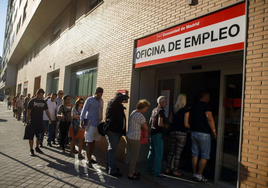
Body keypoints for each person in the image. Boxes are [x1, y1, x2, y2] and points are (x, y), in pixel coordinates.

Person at [190, 91, 217, 182]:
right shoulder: (206, 106)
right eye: (208, 96)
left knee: (195, 154)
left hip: (193, 132)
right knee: (204, 156)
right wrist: (214, 130)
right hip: (204, 134)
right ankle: (199, 175)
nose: (209, 99)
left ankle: (194, 173)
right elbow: (209, 118)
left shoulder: (194, 106)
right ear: (204, 96)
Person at [165, 94, 190, 177]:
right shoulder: (186, 111)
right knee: (178, 153)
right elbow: (186, 124)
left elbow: (170, 121)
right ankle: (175, 171)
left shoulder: (174, 110)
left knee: (171, 151)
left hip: (173, 132)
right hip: (181, 134)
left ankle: (167, 169)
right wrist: (191, 127)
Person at [105, 92, 128, 177]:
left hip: (116, 131)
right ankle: (112, 169)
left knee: (111, 150)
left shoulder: (117, 105)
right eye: (122, 99)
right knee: (112, 150)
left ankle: (109, 166)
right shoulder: (113, 103)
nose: (123, 100)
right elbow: (115, 101)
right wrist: (120, 97)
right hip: (113, 131)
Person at [24, 89, 52, 156]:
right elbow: (28, 112)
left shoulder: (43, 102)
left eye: (42, 95)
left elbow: (47, 111)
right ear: (37, 94)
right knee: (31, 137)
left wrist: (50, 119)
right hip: (32, 122)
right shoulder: (32, 101)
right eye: (40, 95)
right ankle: (31, 149)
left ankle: (37, 147)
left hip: (40, 122)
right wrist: (27, 121)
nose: (42, 96)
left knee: (39, 136)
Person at [126, 99, 150, 180]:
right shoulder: (140, 116)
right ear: (142, 107)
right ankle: (131, 174)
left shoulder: (133, 112)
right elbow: (146, 127)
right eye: (146, 109)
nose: (146, 111)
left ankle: (133, 170)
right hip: (135, 138)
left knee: (132, 155)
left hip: (129, 136)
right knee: (134, 156)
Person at [80, 87, 104, 167]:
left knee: (94, 141)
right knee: (88, 141)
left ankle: (90, 157)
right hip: (90, 123)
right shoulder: (89, 100)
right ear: (95, 93)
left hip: (97, 124)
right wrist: (81, 121)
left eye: (101, 95)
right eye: (98, 95)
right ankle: (87, 159)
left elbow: (101, 110)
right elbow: (84, 110)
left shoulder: (101, 101)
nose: (99, 97)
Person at [147, 96, 169, 179]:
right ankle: (157, 172)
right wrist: (166, 126)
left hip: (152, 132)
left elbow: (150, 121)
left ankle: (148, 169)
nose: (166, 103)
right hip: (158, 133)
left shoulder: (154, 109)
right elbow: (160, 123)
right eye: (165, 102)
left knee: (151, 151)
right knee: (159, 153)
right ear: (162, 102)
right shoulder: (161, 110)